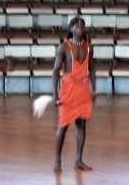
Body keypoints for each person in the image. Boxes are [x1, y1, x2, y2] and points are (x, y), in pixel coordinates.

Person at [52, 17, 96, 172]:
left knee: (81, 126)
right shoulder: (64, 47)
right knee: (63, 126)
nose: (81, 28)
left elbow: (92, 69)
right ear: (71, 29)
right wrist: (54, 94)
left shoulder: (89, 47)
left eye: (83, 26)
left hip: (83, 89)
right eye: (77, 26)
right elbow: (56, 71)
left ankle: (78, 160)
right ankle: (57, 160)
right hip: (68, 89)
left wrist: (94, 89)